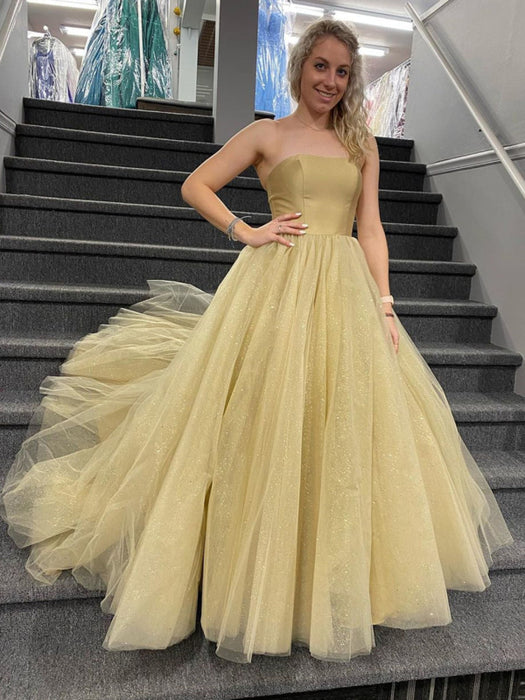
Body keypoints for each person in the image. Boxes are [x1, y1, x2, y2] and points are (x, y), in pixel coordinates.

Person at [0, 18, 514, 665]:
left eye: (343, 71)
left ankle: (324, 575)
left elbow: (371, 227)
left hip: (345, 292)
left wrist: (385, 304)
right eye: (321, 66)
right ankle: (251, 568)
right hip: (276, 284)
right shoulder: (266, 134)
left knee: (338, 422)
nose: (331, 80)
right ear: (300, 67)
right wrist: (244, 230)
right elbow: (196, 184)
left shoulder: (361, 142)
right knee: (265, 416)